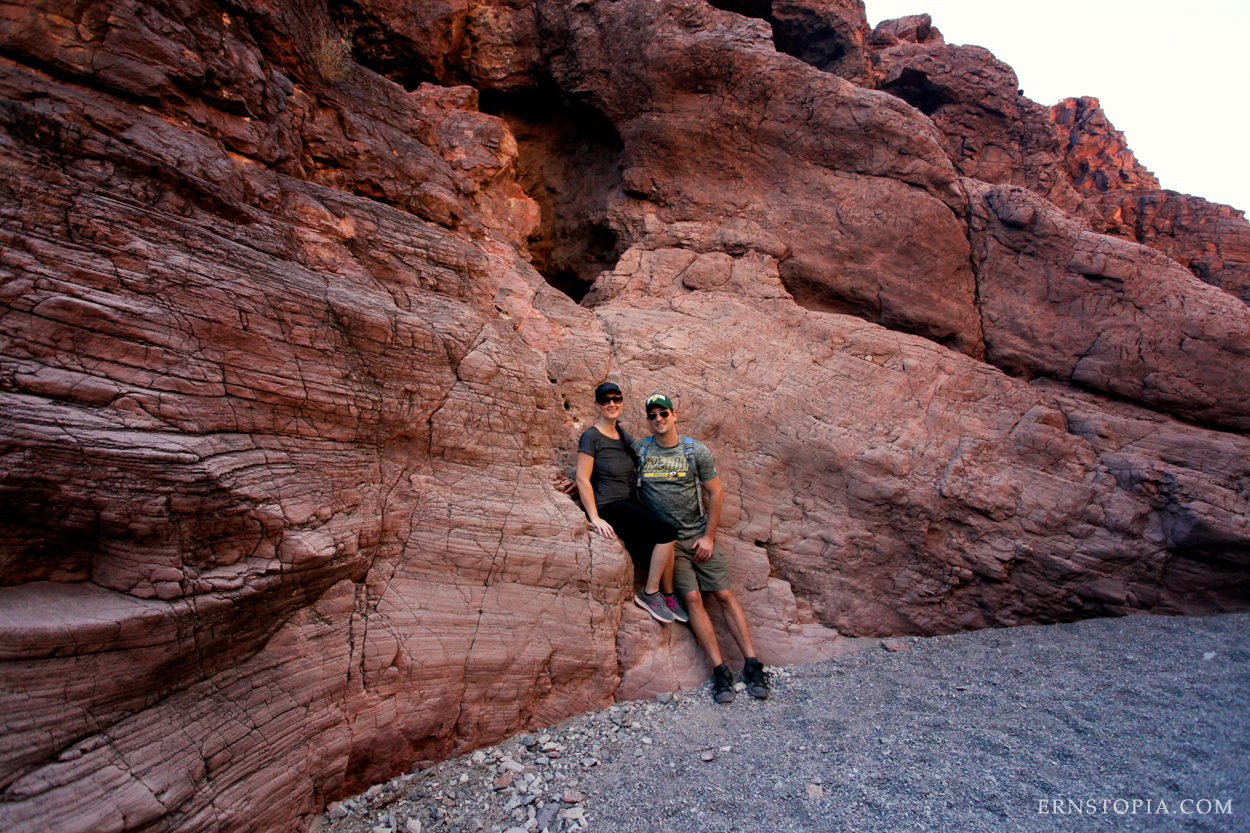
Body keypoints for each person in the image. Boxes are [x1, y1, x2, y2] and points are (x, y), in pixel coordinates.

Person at [633, 393, 770, 703]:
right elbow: (612, 472)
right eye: (652, 415)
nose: (659, 419)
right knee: (693, 598)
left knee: (723, 594)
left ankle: (752, 664)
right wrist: (578, 481)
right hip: (669, 544)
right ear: (647, 420)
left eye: (663, 413)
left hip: (699, 535)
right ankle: (720, 670)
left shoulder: (695, 450)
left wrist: (708, 537)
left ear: (674, 414)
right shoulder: (640, 451)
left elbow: (716, 493)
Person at [575, 382, 687, 625]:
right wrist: (595, 517)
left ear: (622, 402)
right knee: (666, 532)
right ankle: (649, 593)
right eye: (605, 400)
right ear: (598, 404)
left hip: (626, 501)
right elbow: (582, 478)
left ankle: (668, 595)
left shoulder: (623, 436)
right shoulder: (591, 436)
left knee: (667, 529)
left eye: (616, 399)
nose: (611, 404)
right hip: (608, 505)